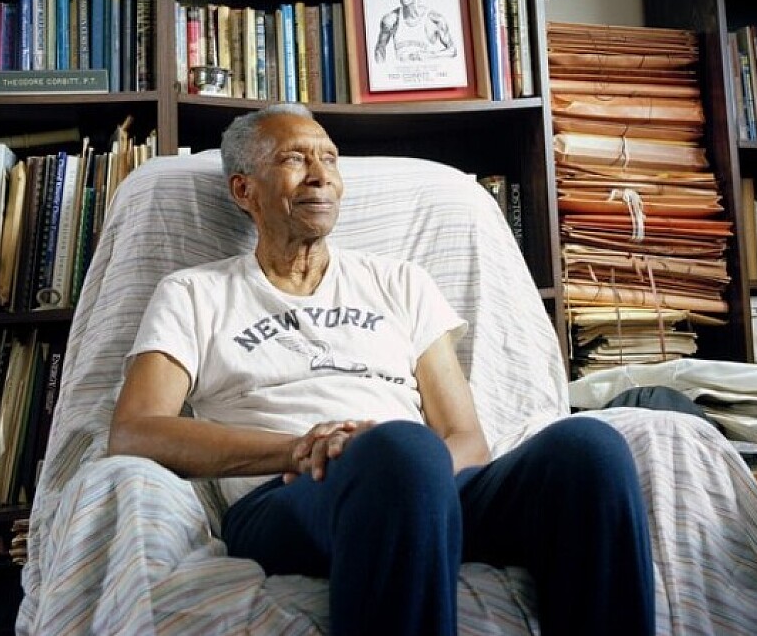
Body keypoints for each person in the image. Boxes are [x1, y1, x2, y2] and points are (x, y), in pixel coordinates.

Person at [108, 103, 655, 636]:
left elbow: (466, 438)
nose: (320, 175)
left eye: (329, 158)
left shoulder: (399, 282)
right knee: (400, 448)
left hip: (422, 484)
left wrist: (414, 475)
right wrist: (301, 449)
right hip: (288, 497)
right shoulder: (194, 293)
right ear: (243, 190)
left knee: (589, 448)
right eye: (294, 159)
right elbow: (136, 431)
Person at [373, 0, 457, 63]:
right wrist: (381, 68)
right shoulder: (390, 19)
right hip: (401, 71)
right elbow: (380, 48)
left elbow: (452, 50)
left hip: (428, 70)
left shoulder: (435, 19)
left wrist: (430, 55)